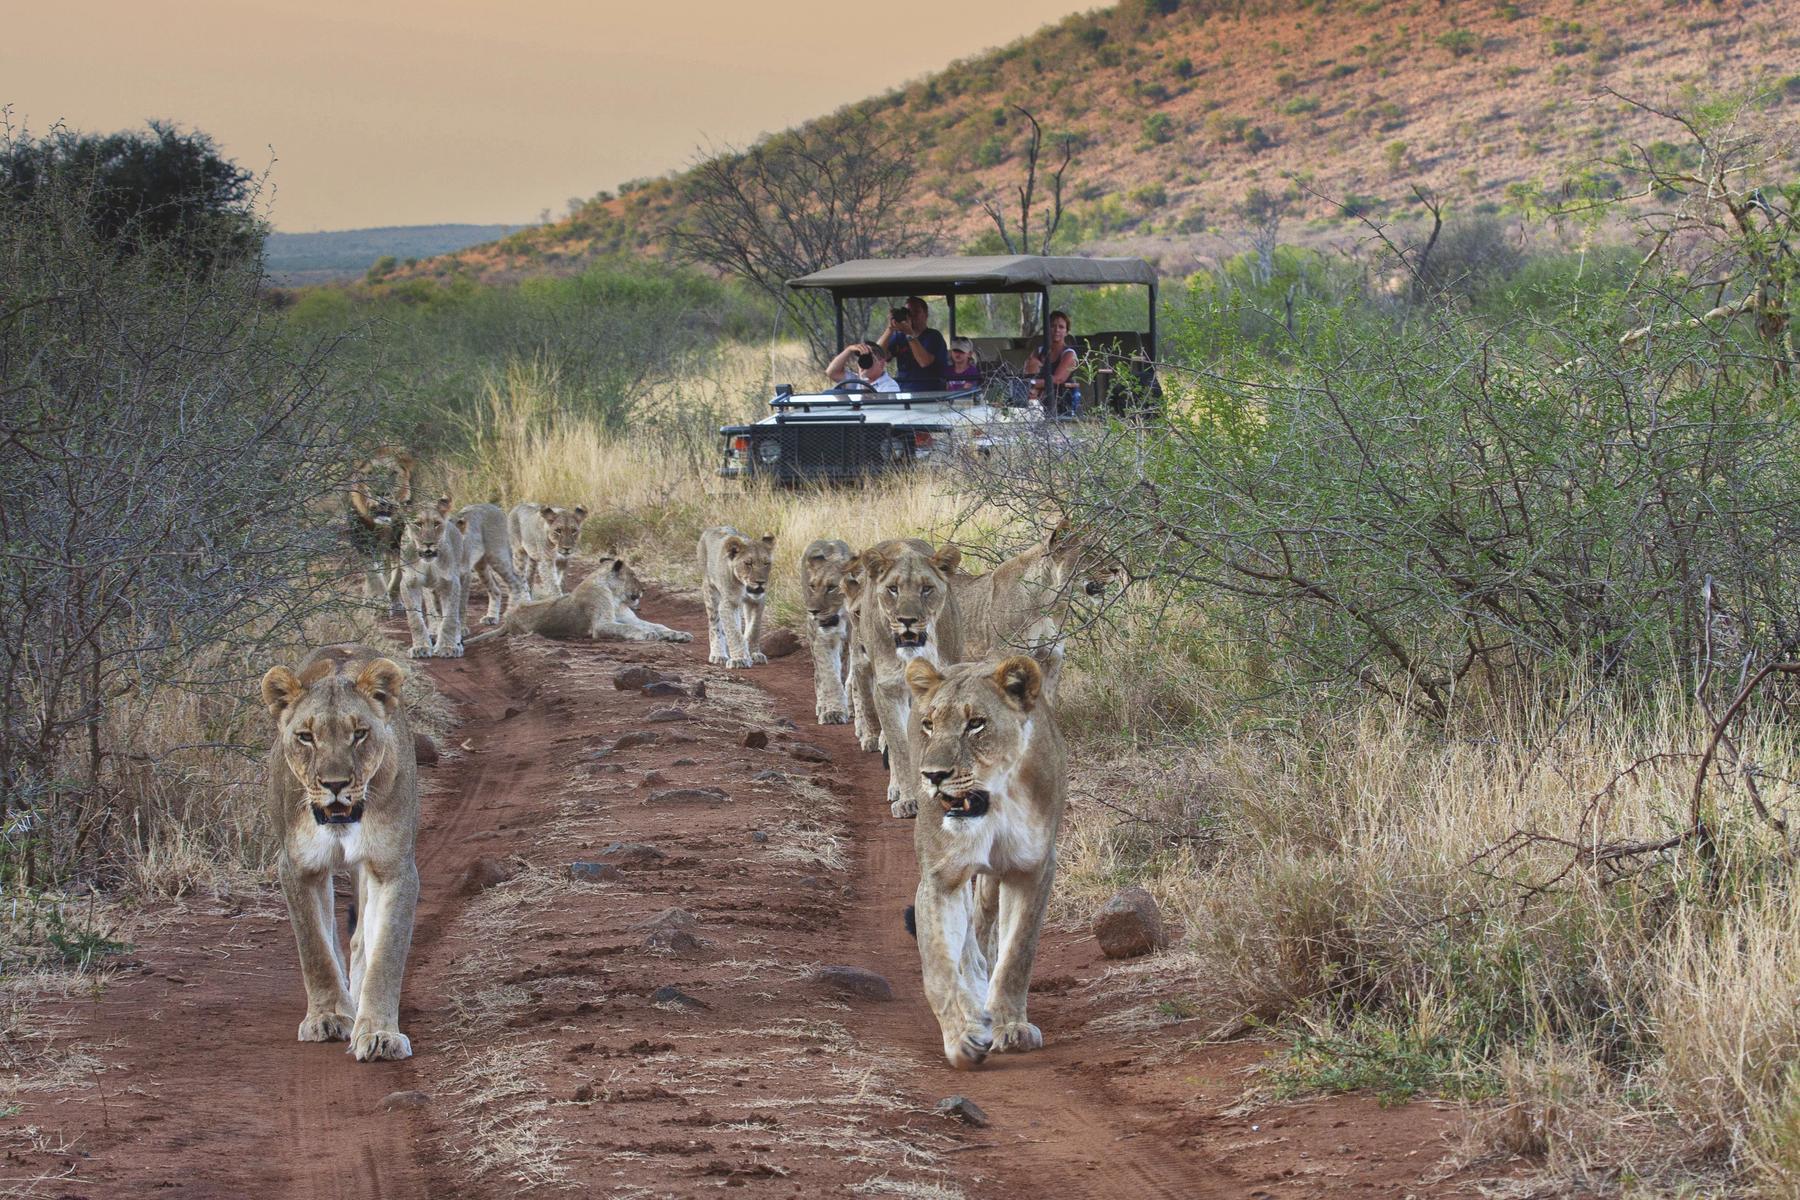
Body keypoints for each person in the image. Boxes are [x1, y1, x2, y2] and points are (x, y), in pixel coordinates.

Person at [876, 295, 949, 391]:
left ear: (926, 315)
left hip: (929, 393)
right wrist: (890, 329)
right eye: (908, 313)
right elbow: (877, 355)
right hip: (903, 391)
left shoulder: (934, 336)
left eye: (916, 312)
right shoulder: (899, 336)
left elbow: (924, 362)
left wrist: (909, 334)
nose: (912, 316)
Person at [1025, 309, 1080, 415]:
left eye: (1061, 327)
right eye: (1053, 326)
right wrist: (1030, 386)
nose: (1056, 330)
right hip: (1037, 399)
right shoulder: (1039, 351)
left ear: (1066, 332)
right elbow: (1028, 371)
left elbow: (1058, 379)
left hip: (1061, 401)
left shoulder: (1069, 354)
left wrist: (1033, 384)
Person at [826, 340, 900, 393]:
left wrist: (865, 384)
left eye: (868, 359)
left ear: (882, 363)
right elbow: (832, 372)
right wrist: (849, 349)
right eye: (862, 359)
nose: (863, 364)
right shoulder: (856, 381)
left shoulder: (890, 387)